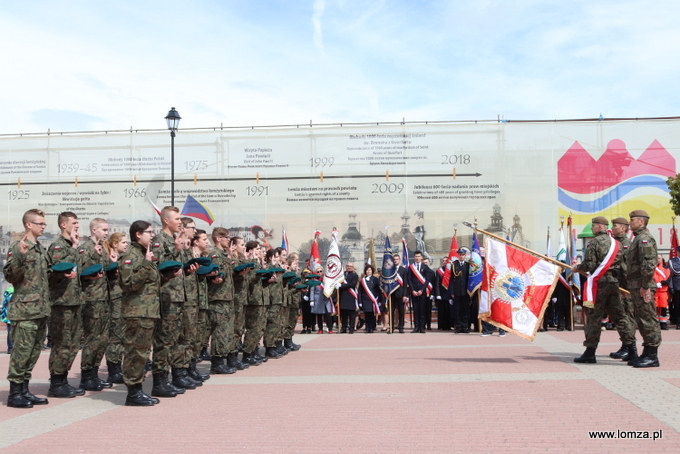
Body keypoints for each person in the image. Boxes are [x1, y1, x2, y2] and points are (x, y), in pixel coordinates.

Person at [572, 216, 635, 364]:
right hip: (613, 283)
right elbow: (622, 266)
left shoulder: (594, 243)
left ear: (599, 227)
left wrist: (577, 268)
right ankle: (632, 349)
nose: (592, 229)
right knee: (620, 317)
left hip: (598, 284)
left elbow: (589, 265)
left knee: (594, 317)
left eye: (593, 226)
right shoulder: (616, 243)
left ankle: (590, 352)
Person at [4, 208, 51, 408]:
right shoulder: (18, 247)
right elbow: (10, 277)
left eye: (44, 223)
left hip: (40, 309)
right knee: (21, 353)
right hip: (24, 311)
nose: (43, 226)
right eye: (40, 223)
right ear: (28, 225)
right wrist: (21, 257)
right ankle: (14, 394)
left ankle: (24, 390)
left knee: (33, 353)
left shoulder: (40, 249)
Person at [151, 206, 196, 395]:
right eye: (176, 219)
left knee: (176, 338)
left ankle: (176, 375)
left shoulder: (174, 240)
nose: (180, 222)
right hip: (166, 297)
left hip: (178, 296)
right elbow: (159, 266)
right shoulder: (159, 241)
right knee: (164, 341)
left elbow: (179, 268)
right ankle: (159, 381)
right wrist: (177, 251)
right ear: (166, 221)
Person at [118, 220, 162, 406]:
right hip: (137, 312)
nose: (152, 235)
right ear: (138, 234)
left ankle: (137, 390)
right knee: (135, 352)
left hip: (148, 312)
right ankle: (133, 392)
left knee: (142, 352)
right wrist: (146, 264)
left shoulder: (144, 255)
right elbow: (129, 284)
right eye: (149, 232)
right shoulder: (131, 256)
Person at [47, 211, 85, 398]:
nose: (77, 226)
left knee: (73, 343)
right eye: (74, 223)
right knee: (62, 343)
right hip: (61, 303)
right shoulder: (58, 247)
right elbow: (54, 272)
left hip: (74, 301)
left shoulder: (72, 246)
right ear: (63, 225)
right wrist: (74, 248)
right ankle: (56, 382)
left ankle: (63, 379)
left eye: (78, 223)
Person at [78, 218, 113, 391]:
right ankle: (86, 376)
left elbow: (106, 271)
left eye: (107, 230)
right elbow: (79, 272)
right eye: (104, 230)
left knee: (102, 339)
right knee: (92, 339)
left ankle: (94, 373)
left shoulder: (102, 249)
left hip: (103, 299)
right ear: (94, 230)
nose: (107, 233)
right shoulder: (84, 248)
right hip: (91, 300)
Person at [626, 210, 662, 368]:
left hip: (643, 286)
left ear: (641, 221)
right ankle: (646, 352)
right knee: (641, 320)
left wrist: (645, 286)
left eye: (632, 220)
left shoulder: (644, 239)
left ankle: (652, 355)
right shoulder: (637, 238)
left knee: (648, 320)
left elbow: (648, 264)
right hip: (637, 285)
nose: (630, 223)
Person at [103, 232, 128, 384]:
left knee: (123, 335)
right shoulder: (109, 261)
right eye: (123, 242)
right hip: (115, 300)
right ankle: (114, 370)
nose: (126, 244)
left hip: (125, 300)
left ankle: (120, 368)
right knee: (116, 336)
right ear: (114, 244)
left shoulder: (124, 259)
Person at [407, 251, 431, 333]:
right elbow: (409, 279)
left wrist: (422, 290)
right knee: (415, 309)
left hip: (422, 291)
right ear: (414, 257)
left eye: (419, 256)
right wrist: (412, 290)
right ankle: (416, 327)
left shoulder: (425, 267)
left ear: (421, 257)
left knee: (422, 309)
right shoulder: (411, 267)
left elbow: (427, 280)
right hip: (414, 291)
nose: (417, 258)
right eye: (416, 256)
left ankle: (422, 327)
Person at [450, 248, 471, 333]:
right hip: (457, 291)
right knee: (457, 310)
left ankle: (465, 326)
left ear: (465, 256)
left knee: (465, 310)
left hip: (466, 291)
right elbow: (451, 279)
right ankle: (458, 327)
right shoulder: (454, 265)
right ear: (458, 255)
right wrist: (452, 292)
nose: (461, 256)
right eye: (460, 255)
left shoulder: (468, 265)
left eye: (463, 255)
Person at [358, 264, 382, 333]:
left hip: (373, 300)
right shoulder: (362, 280)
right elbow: (360, 291)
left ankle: (372, 327)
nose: (369, 271)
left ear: (372, 271)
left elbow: (378, 290)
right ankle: (367, 327)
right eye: (367, 270)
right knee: (367, 314)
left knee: (372, 314)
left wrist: (379, 300)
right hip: (365, 299)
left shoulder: (375, 279)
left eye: (370, 270)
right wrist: (360, 301)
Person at [390, 254, 409, 333]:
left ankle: (401, 327)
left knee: (401, 311)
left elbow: (405, 283)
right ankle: (391, 327)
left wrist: (405, 295)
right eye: (394, 259)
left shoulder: (403, 270)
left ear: (399, 260)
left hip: (401, 294)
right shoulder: (390, 270)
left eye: (397, 259)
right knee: (391, 311)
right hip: (392, 293)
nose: (395, 260)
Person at [338, 263, 359, 333]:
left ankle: (351, 328)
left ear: (353, 268)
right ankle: (344, 328)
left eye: (350, 266)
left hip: (350, 296)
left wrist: (341, 286)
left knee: (351, 315)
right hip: (343, 296)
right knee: (344, 314)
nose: (349, 267)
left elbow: (352, 284)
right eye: (347, 266)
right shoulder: (342, 275)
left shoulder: (355, 275)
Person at [434, 258, 453, 331]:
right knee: (442, 311)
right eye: (443, 261)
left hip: (449, 294)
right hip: (442, 294)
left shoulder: (451, 270)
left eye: (446, 261)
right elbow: (437, 284)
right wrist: (437, 294)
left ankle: (449, 325)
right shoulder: (439, 271)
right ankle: (442, 325)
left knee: (449, 311)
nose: (445, 262)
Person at [654, 254, 670, 330]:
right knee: (655, 308)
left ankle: (663, 323)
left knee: (663, 307)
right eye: (656, 258)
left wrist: (661, 283)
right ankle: (656, 323)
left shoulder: (666, 268)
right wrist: (655, 284)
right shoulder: (652, 268)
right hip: (655, 291)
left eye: (659, 258)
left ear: (662, 259)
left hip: (663, 291)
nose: (658, 259)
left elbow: (668, 279)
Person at [668, 246, 680, 329]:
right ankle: (678, 323)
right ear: (677, 252)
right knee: (677, 305)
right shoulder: (672, 261)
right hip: (677, 286)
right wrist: (671, 287)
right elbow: (670, 275)